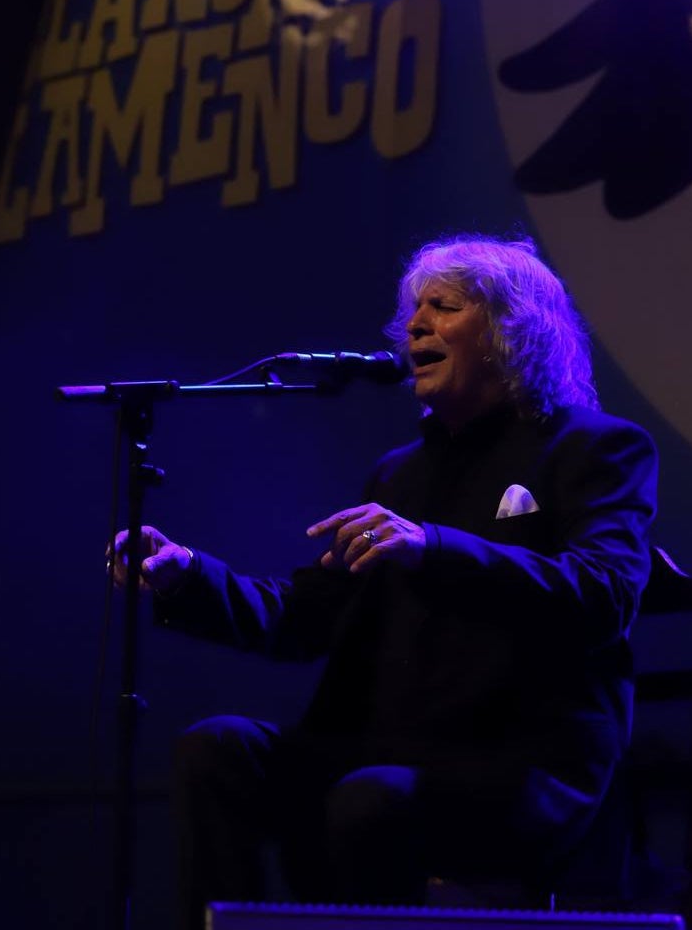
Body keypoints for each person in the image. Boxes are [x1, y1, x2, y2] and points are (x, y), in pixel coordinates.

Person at [110, 234, 657, 926]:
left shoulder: (596, 448)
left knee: (368, 799)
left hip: (520, 763)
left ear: (513, 329)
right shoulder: (400, 472)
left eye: (445, 306)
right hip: (387, 749)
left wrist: (432, 547)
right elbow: (310, 616)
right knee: (217, 749)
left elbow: (603, 595)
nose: (416, 325)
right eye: (413, 310)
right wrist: (188, 576)